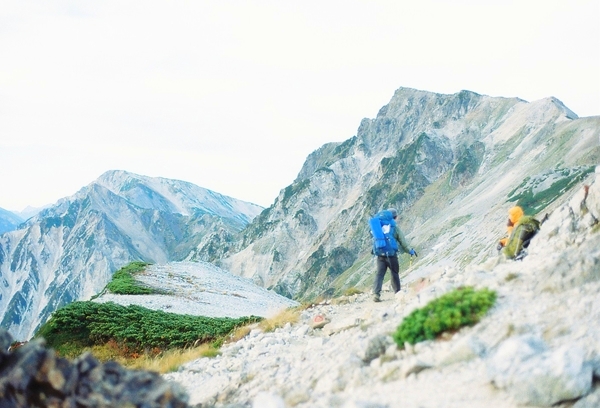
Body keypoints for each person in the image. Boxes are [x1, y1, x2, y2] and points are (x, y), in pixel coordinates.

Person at [372, 208, 417, 302]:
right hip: (391, 255)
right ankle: (397, 293)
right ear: (395, 217)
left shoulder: (378, 227)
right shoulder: (394, 228)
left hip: (380, 255)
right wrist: (410, 251)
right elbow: (403, 243)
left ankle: (376, 294)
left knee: (379, 274)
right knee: (394, 273)